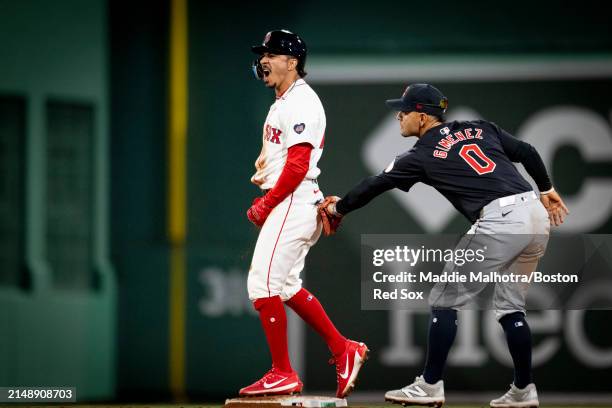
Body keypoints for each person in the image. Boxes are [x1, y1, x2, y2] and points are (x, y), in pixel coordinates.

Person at [320, 83, 569, 408]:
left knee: (443, 299)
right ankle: (524, 391)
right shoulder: (479, 128)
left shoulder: (421, 153)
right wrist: (547, 188)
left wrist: (339, 208)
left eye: (405, 110)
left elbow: (375, 184)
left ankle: (430, 384)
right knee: (510, 306)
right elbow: (527, 152)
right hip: (535, 214)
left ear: (422, 116)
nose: (400, 116)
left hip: (501, 218)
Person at [240, 29, 369, 398]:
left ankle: (282, 372)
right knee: (286, 287)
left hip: (292, 198)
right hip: (296, 198)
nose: (263, 60)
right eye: (262, 54)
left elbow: (297, 166)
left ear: (292, 62)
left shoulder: (301, 101)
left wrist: (268, 202)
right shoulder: (284, 100)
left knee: (262, 286)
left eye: (272, 54)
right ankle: (344, 349)